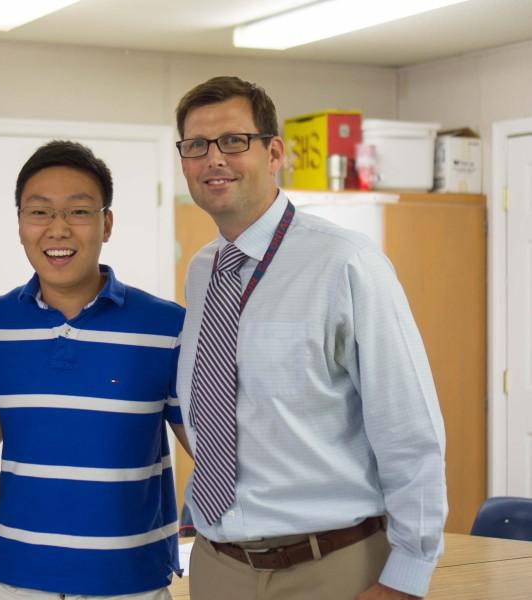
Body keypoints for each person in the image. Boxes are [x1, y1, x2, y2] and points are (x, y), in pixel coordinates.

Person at [173, 76, 447, 600]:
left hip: (329, 566)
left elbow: (409, 428)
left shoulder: (345, 262)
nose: (214, 159)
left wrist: (409, 576)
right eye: (195, 146)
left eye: (234, 141)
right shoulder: (204, 271)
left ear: (273, 152)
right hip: (216, 564)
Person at [0, 141, 190, 600]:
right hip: (12, 579)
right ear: (19, 223)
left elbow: (210, 450)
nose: (58, 230)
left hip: (129, 584)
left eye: (78, 212)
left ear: (106, 223)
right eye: (39, 212)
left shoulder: (167, 326)